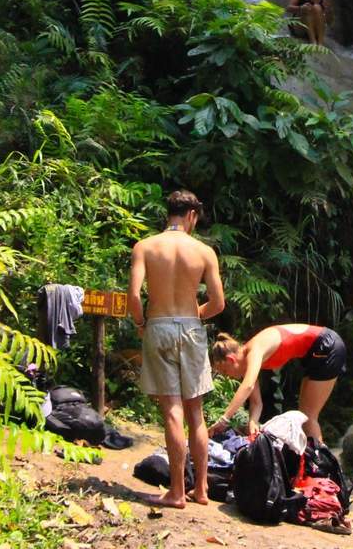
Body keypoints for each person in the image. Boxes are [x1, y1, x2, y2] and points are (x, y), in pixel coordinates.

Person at [128, 189, 225, 509]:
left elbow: (133, 295)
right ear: (192, 215)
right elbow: (218, 303)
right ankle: (201, 490)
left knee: (172, 409)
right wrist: (195, 314)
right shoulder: (204, 252)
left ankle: (176, 492)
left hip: (158, 326)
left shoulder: (145, 247)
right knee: (195, 411)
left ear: (168, 213)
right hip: (191, 328)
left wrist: (142, 322)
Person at [208, 324, 347, 444]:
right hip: (313, 354)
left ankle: (321, 466)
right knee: (303, 416)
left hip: (327, 346)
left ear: (231, 359)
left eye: (225, 371)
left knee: (309, 418)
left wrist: (224, 419)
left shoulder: (254, 350)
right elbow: (256, 403)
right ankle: (311, 465)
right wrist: (253, 422)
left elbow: (248, 386)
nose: (228, 377)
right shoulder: (247, 365)